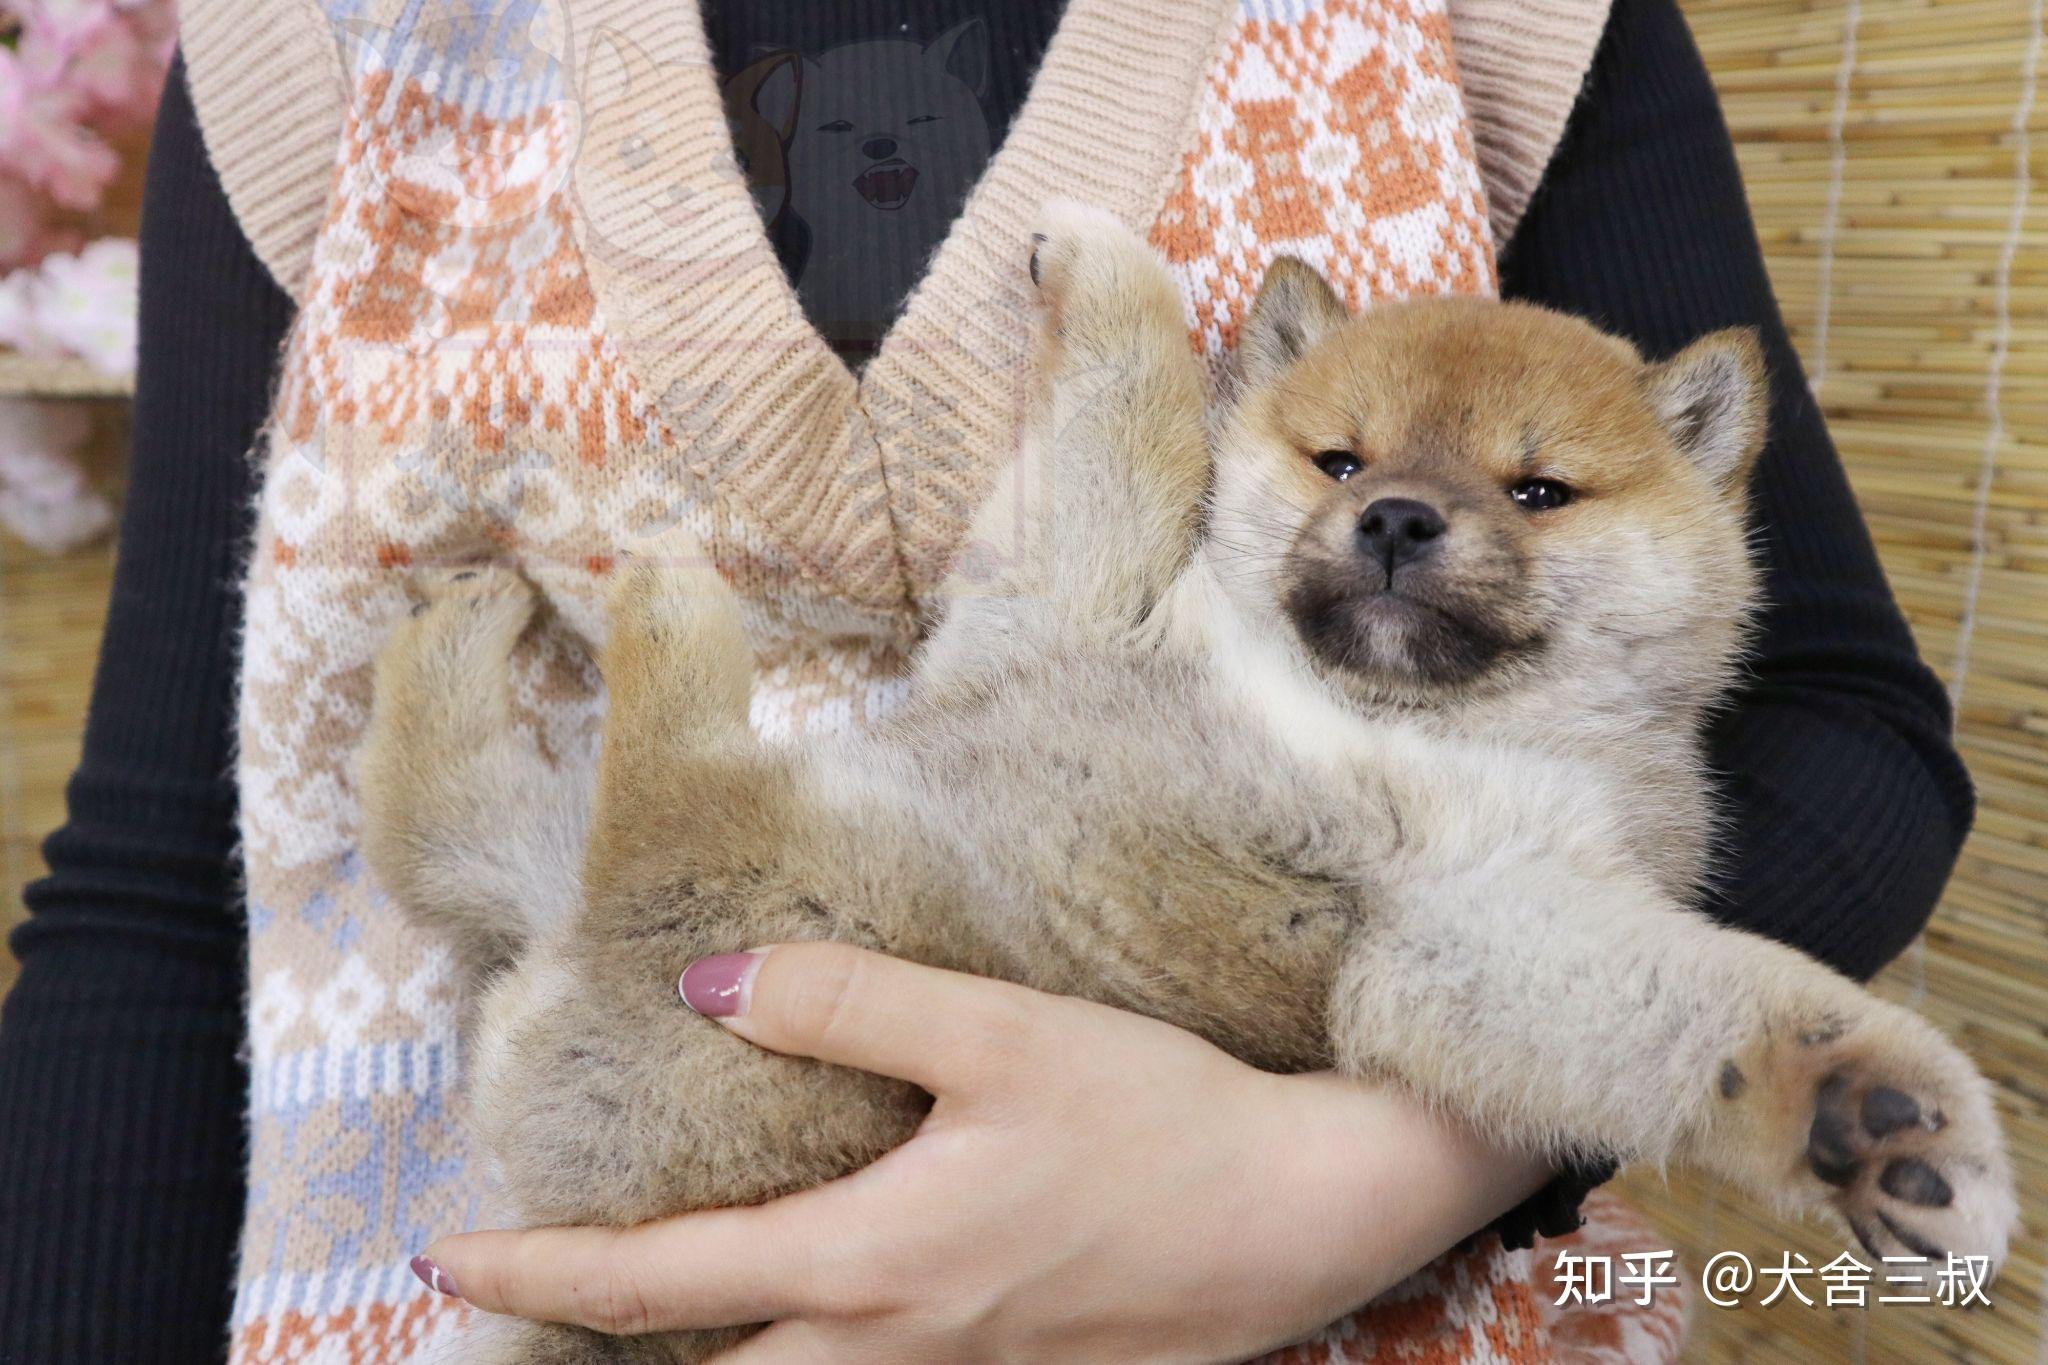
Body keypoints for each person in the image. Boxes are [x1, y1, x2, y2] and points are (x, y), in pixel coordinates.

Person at [0, 1, 1972, 1361]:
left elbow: (1842, 732)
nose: (1404, 514)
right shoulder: (326, 38)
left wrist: (1344, 1180)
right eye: (1350, 471)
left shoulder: (1483, 20)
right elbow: (169, 896)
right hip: (510, 1240)